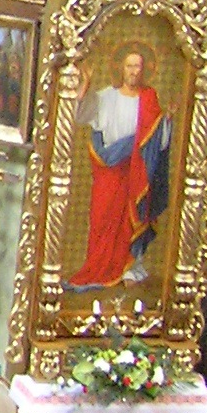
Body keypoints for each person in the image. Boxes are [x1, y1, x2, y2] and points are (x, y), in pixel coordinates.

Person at [71, 45, 172, 289]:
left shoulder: (149, 99)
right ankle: (99, 268)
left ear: (145, 69)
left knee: (133, 218)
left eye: (138, 66)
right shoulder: (107, 97)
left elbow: (159, 140)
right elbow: (81, 116)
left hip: (136, 172)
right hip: (109, 172)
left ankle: (129, 267)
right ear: (121, 68)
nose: (134, 71)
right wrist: (84, 85)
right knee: (103, 219)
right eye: (129, 66)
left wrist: (166, 122)